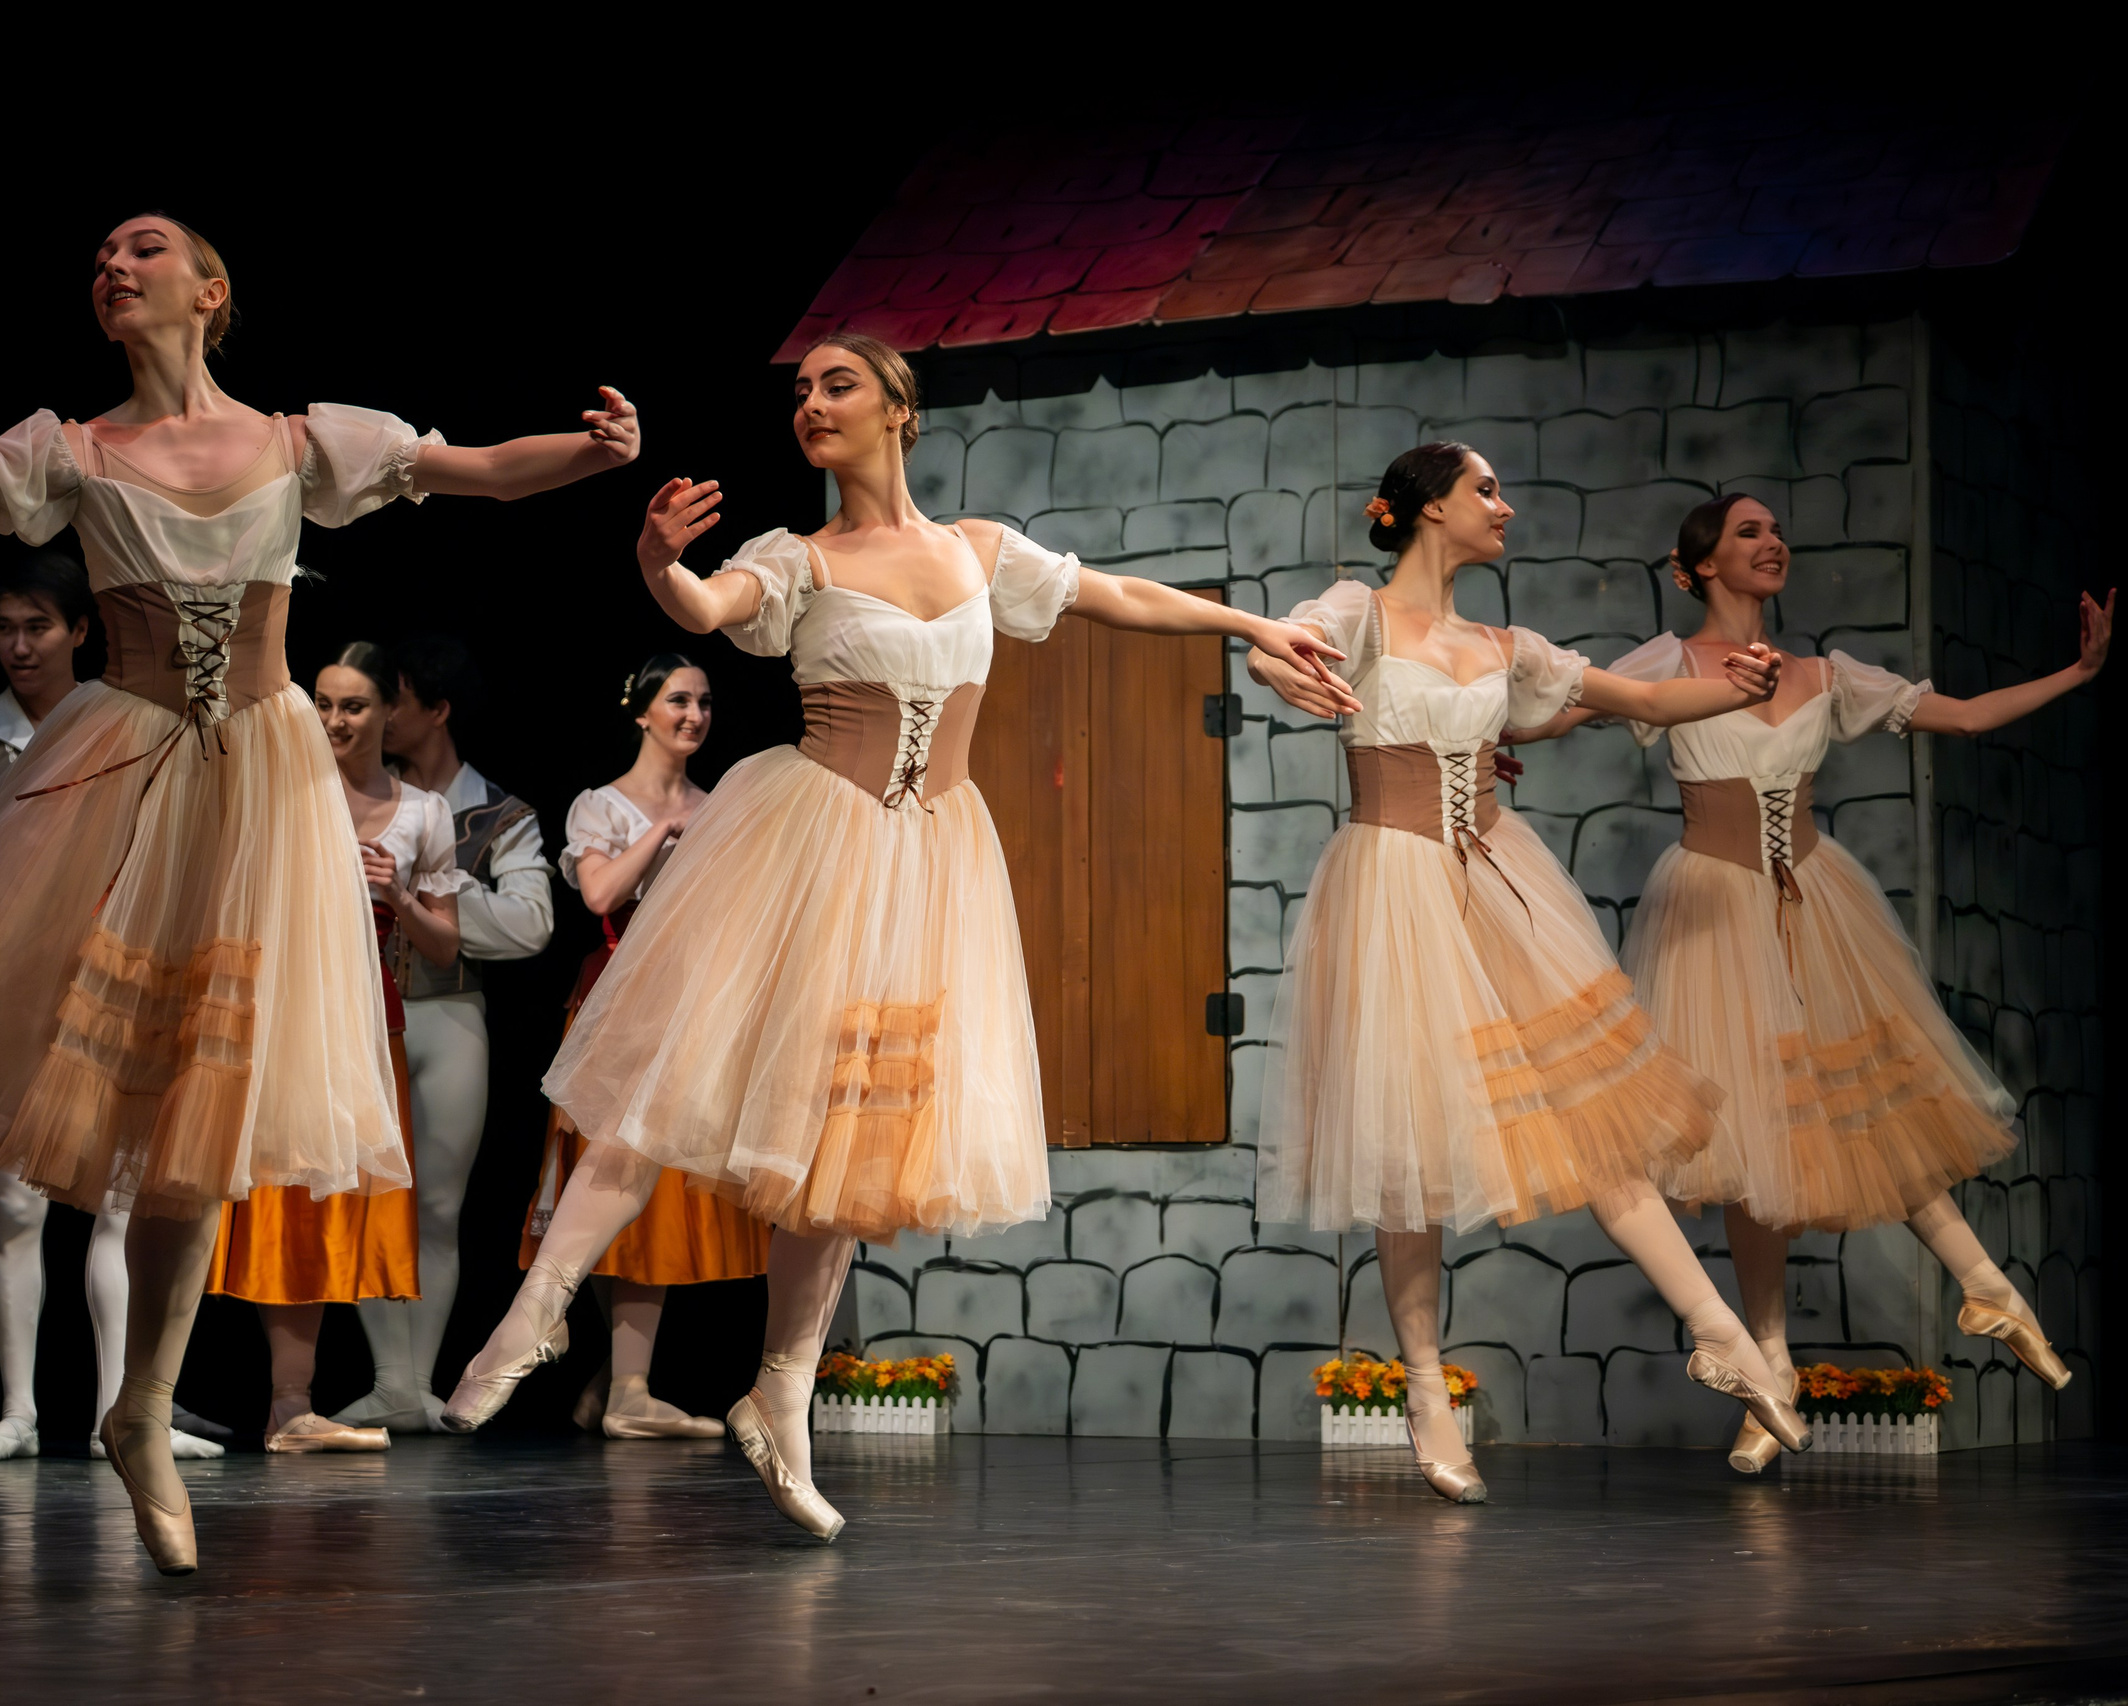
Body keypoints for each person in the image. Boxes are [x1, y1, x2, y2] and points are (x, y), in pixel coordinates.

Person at [0, 212, 639, 1575]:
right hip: (121, 769)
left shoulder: (301, 442)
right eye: (99, 259)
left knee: (207, 1106)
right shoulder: (74, 451)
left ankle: (140, 1407)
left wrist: (596, 453)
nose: (112, 265)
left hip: (254, 789)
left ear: (210, 287)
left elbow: (478, 470)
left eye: (142, 249)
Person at [447, 332, 1348, 1538]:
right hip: (811, 841)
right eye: (801, 392)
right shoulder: (801, 557)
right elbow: (711, 606)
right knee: (667, 1077)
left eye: (837, 385)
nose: (811, 404)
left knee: (855, 1144)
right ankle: (537, 1310)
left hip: (930, 864)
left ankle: (780, 1394)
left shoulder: (979, 551)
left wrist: (1250, 629)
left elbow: (1115, 595)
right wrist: (659, 560)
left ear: (899, 410)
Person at [1245, 444, 1815, 1504]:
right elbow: (1285, 649)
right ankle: (1423, 1384)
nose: (1503, 506)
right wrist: (1279, 664)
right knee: (1405, 1151)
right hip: (1395, 887)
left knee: (1596, 1111)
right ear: (1425, 510)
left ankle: (1721, 1331)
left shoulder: (1500, 643)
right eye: (1485, 491)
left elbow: (1617, 694)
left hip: (1498, 879)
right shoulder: (1359, 614)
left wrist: (1729, 687)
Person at [1504, 493, 2112, 1469]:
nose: (1769, 541)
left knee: (1867, 1108)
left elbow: (1954, 717)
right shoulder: (1665, 662)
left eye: (1774, 529)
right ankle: (1773, 1366)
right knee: (1751, 1142)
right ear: (1696, 564)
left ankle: (1986, 1286)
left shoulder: (1827, 675)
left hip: (1815, 906)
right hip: (1713, 914)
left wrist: (2079, 673)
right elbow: (1563, 711)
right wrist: (1489, 738)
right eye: (1746, 531)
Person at [0, 551, 223, 1462]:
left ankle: (121, 1411)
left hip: (110, 982)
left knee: (118, 1202)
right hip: (10, 988)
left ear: (79, 631)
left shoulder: (125, 728)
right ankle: (19, 1410)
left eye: (38, 627)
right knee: (18, 1207)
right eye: (4, 628)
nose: (19, 647)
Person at [203, 642, 462, 1452]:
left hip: (370, 1025)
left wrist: (395, 895)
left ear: (389, 713)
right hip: (286, 1021)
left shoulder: (423, 811)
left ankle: (295, 1405)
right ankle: (282, 1403)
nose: (335, 720)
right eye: (322, 702)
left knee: (337, 1207)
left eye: (353, 706)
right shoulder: (284, 793)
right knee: (282, 1201)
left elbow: (446, 946)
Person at [522, 653, 768, 1440]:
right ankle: (613, 1371)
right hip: (617, 1007)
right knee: (604, 1181)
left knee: (657, 1198)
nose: (693, 714)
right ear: (640, 712)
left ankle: (624, 1381)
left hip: (689, 1006)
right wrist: (664, 829)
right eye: (676, 700)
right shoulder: (605, 806)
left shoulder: (719, 803)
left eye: (702, 702)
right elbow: (597, 894)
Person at [331, 636, 557, 1434]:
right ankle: (391, 1378)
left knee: (436, 1204)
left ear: (434, 710)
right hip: (361, 1015)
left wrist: (437, 891)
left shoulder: (496, 814)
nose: (377, 716)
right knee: (363, 1195)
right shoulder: (344, 796)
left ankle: (416, 1382)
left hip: (450, 1012)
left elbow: (531, 924)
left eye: (391, 701)